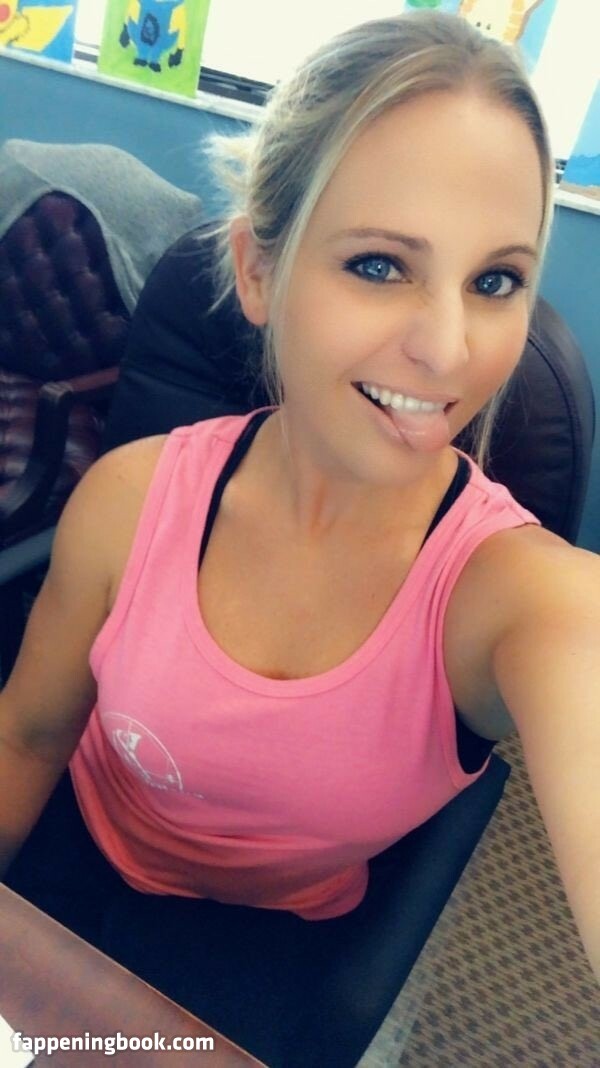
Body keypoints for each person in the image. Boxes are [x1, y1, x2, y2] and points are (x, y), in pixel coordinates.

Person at [1, 9, 598, 1065]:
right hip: (68, 848)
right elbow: (29, 737)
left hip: (268, 936)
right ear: (259, 272)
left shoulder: (519, 598)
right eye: (380, 264)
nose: (449, 349)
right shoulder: (129, 498)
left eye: (495, 280)